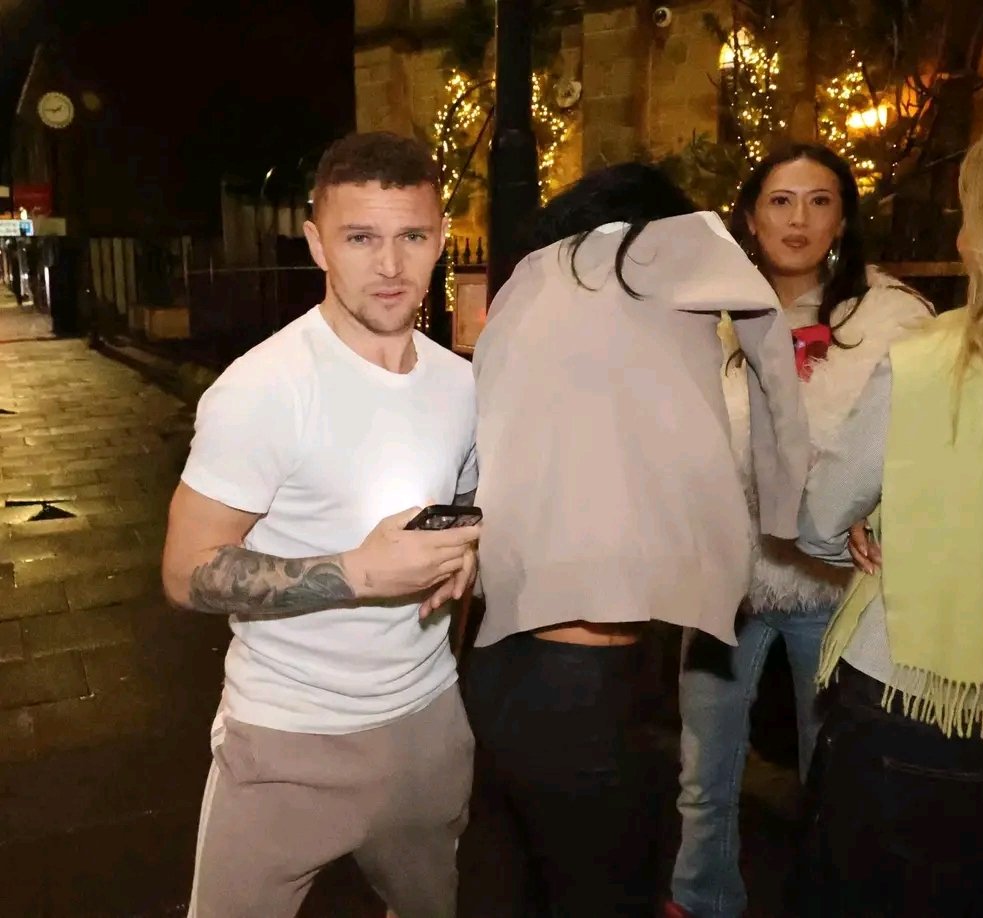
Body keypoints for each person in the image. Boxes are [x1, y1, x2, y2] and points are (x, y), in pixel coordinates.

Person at [456, 163, 810, 918]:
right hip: (590, 679)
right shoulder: (681, 251)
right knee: (605, 891)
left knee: (519, 882)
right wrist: (786, 516)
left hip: (496, 660)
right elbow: (774, 366)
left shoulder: (528, 287)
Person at [162, 131, 481, 918]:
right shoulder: (263, 389)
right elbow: (185, 571)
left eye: (413, 237)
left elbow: (468, 506)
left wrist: (467, 547)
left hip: (427, 725)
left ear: (442, 237)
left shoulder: (461, 385)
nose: (391, 265)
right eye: (361, 238)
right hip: (287, 736)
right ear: (316, 244)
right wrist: (358, 572)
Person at [796, 95, 983, 917]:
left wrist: (875, 522)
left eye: (970, 217)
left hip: (914, 715)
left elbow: (819, 520)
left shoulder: (930, 364)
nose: (958, 240)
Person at [670, 145, 933, 918]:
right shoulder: (705, 318)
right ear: (750, 218)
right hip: (725, 581)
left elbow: (921, 446)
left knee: (834, 771)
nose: (799, 219)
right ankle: (701, 899)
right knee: (703, 769)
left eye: (820, 201)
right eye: (781, 201)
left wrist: (881, 516)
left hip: (832, 585)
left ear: (842, 219)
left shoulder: (889, 321)